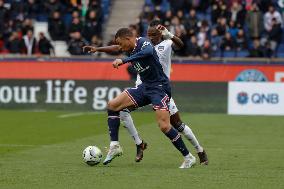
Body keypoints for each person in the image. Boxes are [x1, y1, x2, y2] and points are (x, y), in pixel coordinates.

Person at [84, 22, 208, 166]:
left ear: (128, 38)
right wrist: (97, 49)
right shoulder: (129, 46)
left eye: (121, 43)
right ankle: (117, 145)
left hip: (159, 88)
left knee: (166, 126)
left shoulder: (144, 43)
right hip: (144, 86)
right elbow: (116, 48)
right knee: (113, 105)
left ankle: (190, 156)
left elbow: (149, 52)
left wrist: (124, 60)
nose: (121, 47)